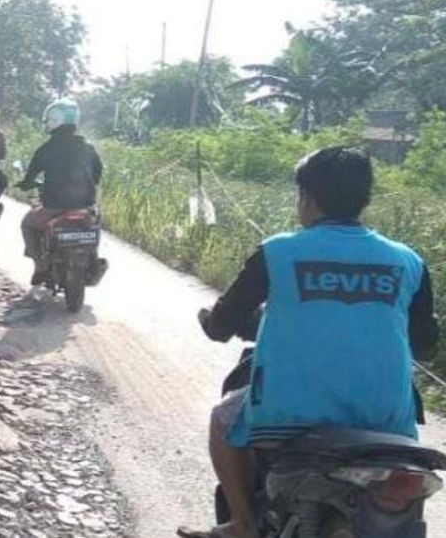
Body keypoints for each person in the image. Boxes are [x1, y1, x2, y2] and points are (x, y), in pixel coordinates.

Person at [177, 147, 439, 538]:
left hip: (287, 417)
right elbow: (425, 347)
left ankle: (244, 523)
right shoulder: (408, 261)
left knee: (222, 418)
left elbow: (221, 326)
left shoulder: (279, 250)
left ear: (307, 197)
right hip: (386, 422)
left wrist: (211, 321)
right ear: (364, 200)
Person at [16, 98, 103, 283]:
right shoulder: (88, 147)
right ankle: (93, 259)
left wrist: (25, 184)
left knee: (28, 225)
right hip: (84, 205)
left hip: (54, 206)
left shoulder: (46, 149)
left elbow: (30, 177)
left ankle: (40, 267)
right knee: (94, 223)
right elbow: (98, 173)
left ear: (54, 120)